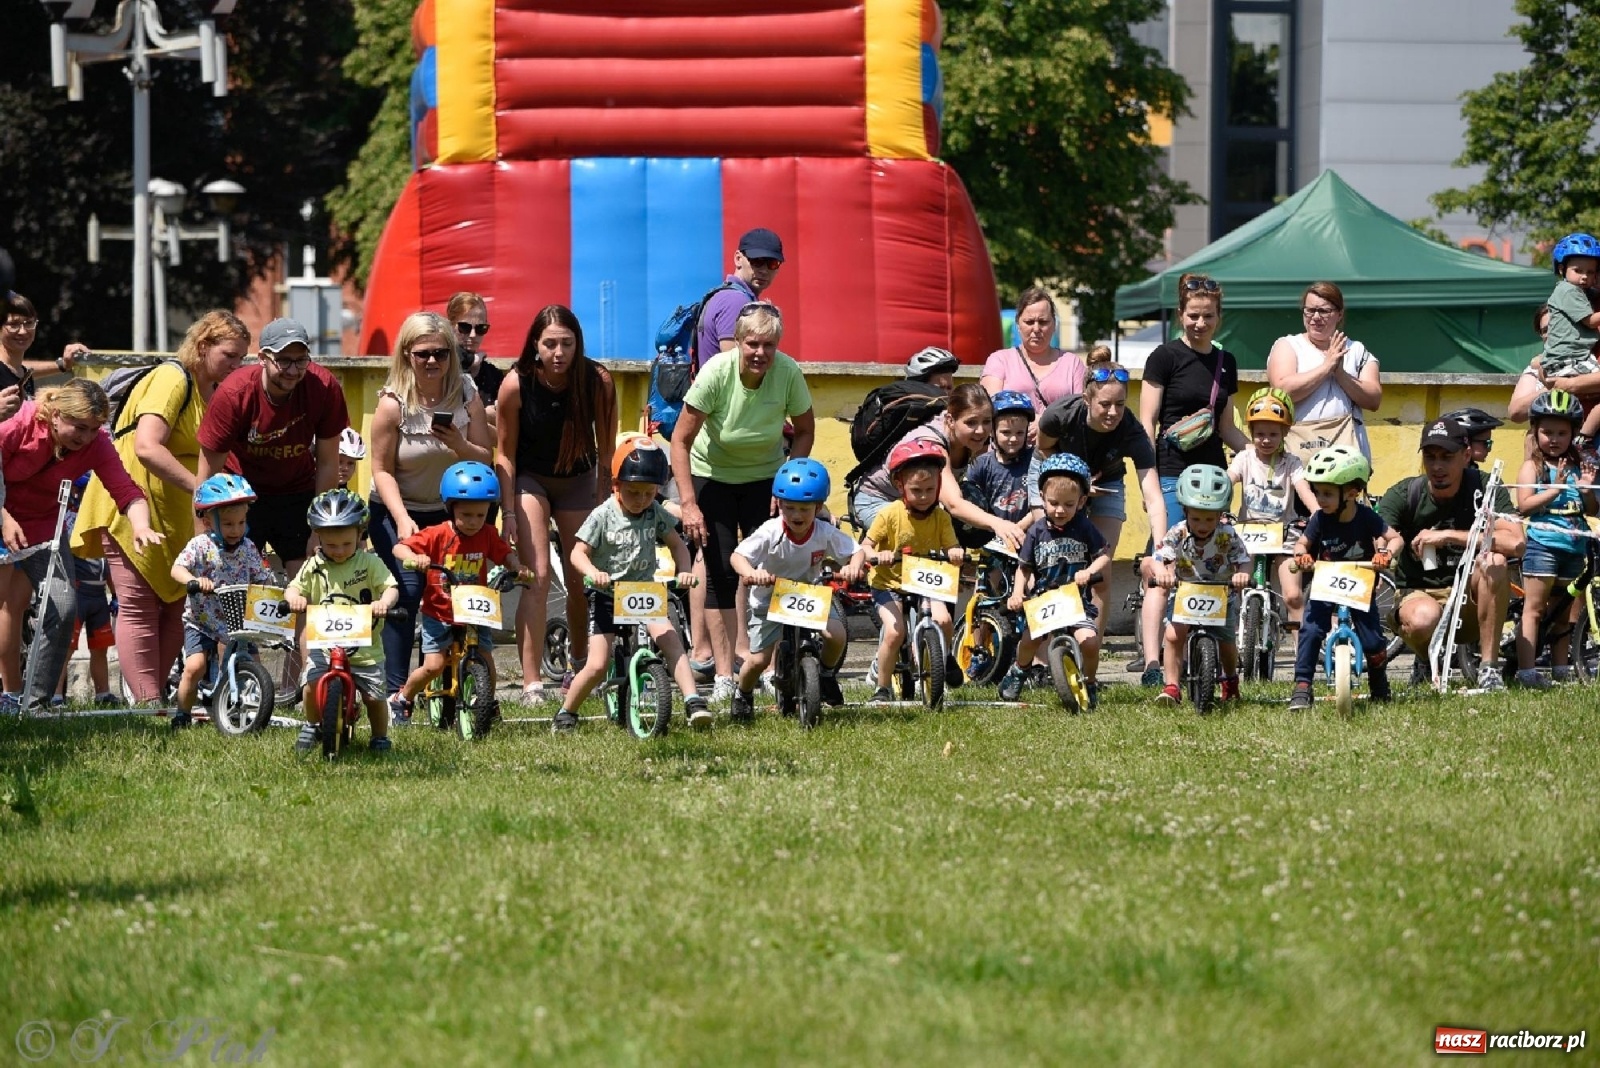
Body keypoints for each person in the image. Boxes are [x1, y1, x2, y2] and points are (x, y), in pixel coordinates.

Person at [72, 311, 250, 702]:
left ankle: (158, 700)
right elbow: (147, 446)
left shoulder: (213, 390)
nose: (237, 366)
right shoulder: (173, 378)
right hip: (132, 503)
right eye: (230, 356)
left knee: (174, 602)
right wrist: (203, 493)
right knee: (137, 604)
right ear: (203, 347)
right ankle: (149, 705)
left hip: (175, 514)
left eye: (242, 359)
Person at [671, 302, 815, 702]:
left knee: (771, 567)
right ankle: (722, 675)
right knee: (720, 571)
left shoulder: (787, 372)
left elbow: (804, 431)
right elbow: (680, 440)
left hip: (765, 477)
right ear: (738, 342)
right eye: (752, 343)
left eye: (769, 345)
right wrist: (687, 503)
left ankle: (766, 668)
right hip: (712, 475)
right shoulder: (716, 373)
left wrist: (786, 480)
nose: (760, 353)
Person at [0, 380, 161, 710]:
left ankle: (36, 704)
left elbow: (126, 491)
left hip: (43, 526)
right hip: (1, 513)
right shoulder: (22, 421)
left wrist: (141, 525)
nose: (86, 437)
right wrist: (3, 518)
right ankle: (9, 693)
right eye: (80, 427)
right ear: (56, 415)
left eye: (94, 429)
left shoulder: (97, 444)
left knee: (63, 605)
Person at [495, 304, 618, 703]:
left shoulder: (597, 380)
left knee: (581, 578)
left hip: (580, 480)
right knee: (537, 577)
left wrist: (605, 504)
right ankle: (532, 684)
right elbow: (504, 454)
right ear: (535, 345)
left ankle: (582, 667)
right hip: (531, 481)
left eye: (567, 343)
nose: (558, 352)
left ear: (578, 344)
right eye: (550, 344)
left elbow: (607, 451)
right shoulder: (516, 384)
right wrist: (508, 512)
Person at [368, 311, 494, 695]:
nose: (432, 361)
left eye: (440, 353)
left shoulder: (466, 392)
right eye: (423, 353)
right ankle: (395, 694)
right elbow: (380, 470)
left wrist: (457, 443)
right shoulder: (393, 404)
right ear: (407, 354)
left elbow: (484, 457)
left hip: (448, 513)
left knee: (457, 592)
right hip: (397, 509)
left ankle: (457, 685)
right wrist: (403, 519)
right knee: (406, 592)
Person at [551, 438, 707, 734]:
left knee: (671, 641)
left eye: (649, 493)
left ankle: (693, 701)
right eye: (634, 492)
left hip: (643, 592)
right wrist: (593, 572)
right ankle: (567, 711)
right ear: (616, 485)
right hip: (607, 594)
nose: (641, 500)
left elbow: (677, 545)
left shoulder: (654, 512)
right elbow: (577, 553)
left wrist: (684, 570)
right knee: (597, 663)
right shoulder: (602, 515)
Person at [1139, 273, 1249, 687]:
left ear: (1219, 317)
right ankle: (1153, 663)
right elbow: (1147, 420)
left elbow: (1227, 427)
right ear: (1180, 315)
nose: (1199, 323)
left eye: (1207, 316)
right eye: (1192, 315)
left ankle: (1207, 655)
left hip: (1212, 479)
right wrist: (1148, 478)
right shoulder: (1164, 357)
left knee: (1212, 562)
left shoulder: (1226, 361)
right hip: (1170, 471)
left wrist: (1257, 455)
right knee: (1166, 563)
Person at [1377, 418, 1524, 692]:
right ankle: (1426, 658)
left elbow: (1516, 542)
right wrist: (1384, 549)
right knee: (1422, 618)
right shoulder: (1405, 493)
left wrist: (1448, 536)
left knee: (1495, 561)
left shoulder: (1486, 487)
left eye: (1447, 457)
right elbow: (1380, 538)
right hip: (1419, 594)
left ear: (1466, 455)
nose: (1437, 467)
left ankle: (1489, 670)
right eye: (1430, 457)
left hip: (1469, 600)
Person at [197, 317, 349, 574]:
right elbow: (206, 478)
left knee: (307, 579)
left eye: (300, 360)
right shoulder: (234, 394)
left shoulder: (323, 387)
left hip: (297, 491)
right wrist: (203, 546)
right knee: (238, 580)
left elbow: (326, 463)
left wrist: (318, 529)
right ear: (262, 358)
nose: (292, 370)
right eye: (283, 360)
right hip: (241, 494)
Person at [389, 462, 530, 724]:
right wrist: (413, 558)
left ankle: (488, 700)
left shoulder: (487, 534)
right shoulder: (438, 534)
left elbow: (504, 554)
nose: (473, 522)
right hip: (439, 612)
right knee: (433, 665)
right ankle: (402, 697)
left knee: (486, 660)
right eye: (466, 515)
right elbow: (400, 548)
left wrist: (517, 567)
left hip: (475, 610)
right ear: (451, 508)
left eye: (480, 514)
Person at [728, 458, 865, 722]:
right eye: (789, 508)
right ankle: (742, 694)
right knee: (757, 661)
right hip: (769, 597)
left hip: (807, 595)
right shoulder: (770, 531)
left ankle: (824, 674)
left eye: (804, 509)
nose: (797, 515)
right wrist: (751, 573)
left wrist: (853, 567)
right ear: (778, 504)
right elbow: (738, 556)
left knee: (836, 634)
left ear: (819, 507)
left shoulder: (824, 532)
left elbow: (855, 551)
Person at [1035, 363, 1164, 629]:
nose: (1113, 412)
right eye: (1105, 404)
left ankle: (1091, 648)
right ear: (1086, 399)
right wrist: (1074, 484)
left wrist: (1162, 551)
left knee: (1100, 570)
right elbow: (1042, 450)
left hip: (1108, 483)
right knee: (1048, 560)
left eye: (1120, 403)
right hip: (1056, 476)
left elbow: (1152, 496)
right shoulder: (1059, 415)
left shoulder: (1132, 430)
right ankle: (1040, 650)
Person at [1286, 447, 1402, 711]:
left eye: (1327, 493)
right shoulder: (1319, 519)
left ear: (1351, 492)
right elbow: (1302, 544)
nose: (1320, 499)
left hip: (1360, 581)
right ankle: (1302, 685)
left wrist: (1386, 553)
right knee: (1312, 630)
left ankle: (1378, 680)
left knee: (1373, 639)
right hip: (1325, 581)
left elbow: (1396, 538)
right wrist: (1302, 555)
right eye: (1317, 492)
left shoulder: (1366, 516)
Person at [285, 490, 401, 753]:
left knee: (374, 696)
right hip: (325, 645)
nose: (338, 551)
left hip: (365, 648)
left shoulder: (369, 563)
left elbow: (390, 587)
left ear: (360, 534)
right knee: (312, 683)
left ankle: (380, 736)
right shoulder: (313, 566)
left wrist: (384, 602)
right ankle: (312, 724)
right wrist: (295, 599)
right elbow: (293, 588)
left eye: (346, 545)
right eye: (330, 545)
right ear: (319, 538)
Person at [850, 384, 1023, 552]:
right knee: (916, 539)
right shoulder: (931, 443)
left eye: (987, 422)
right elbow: (953, 504)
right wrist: (998, 523)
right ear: (950, 420)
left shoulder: (974, 439)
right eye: (971, 423)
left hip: (919, 500)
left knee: (972, 500)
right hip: (879, 500)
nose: (980, 430)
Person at [998, 453, 1110, 706]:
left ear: (1081, 502)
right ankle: (1018, 670)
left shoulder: (1084, 527)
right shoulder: (1037, 531)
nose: (1060, 510)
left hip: (1076, 601)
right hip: (1044, 599)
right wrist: (1018, 593)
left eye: (1068, 505)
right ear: (1042, 500)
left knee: (1090, 643)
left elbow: (1104, 556)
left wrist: (1089, 571)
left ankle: (1090, 682)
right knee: (1029, 640)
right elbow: (1023, 568)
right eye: (1053, 503)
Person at [168, 475, 276, 729]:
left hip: (237, 620)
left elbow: (262, 577)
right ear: (208, 521)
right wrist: (194, 581)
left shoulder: (248, 547)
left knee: (253, 666)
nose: (236, 530)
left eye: (241, 522)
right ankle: (182, 714)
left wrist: (271, 587)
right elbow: (177, 568)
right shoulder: (200, 545)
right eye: (228, 524)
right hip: (202, 620)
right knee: (195, 667)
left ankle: (252, 710)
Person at [861, 439, 965, 703]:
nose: (924, 497)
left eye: (930, 490)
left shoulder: (941, 517)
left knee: (943, 620)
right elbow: (865, 547)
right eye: (916, 490)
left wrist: (955, 552)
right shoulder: (889, 514)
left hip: (924, 580)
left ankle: (946, 655)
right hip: (889, 582)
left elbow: (952, 545)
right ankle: (882, 687)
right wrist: (878, 555)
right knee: (895, 632)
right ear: (900, 486)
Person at [1148, 464, 1249, 707]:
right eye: (1196, 518)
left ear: (1220, 515)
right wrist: (1162, 572)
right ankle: (1172, 686)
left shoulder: (1228, 534)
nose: (1202, 524)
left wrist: (1242, 575)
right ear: (1185, 512)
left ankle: (1230, 680)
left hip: (1220, 593)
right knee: (1173, 635)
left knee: (1226, 641)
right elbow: (1160, 557)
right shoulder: (1178, 532)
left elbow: (1244, 560)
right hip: (1186, 592)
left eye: (1209, 518)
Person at [1513, 391, 1596, 689]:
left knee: (1562, 613)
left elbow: (1591, 510)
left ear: (1574, 433)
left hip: (1574, 546)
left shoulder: (1577, 467)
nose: (1554, 439)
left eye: (1562, 433)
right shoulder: (1532, 467)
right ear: (1535, 432)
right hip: (1543, 544)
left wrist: (1586, 489)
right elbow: (1524, 505)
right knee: (1534, 609)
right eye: (1547, 432)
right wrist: (1556, 488)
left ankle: (1561, 668)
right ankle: (1526, 671)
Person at [1227, 387, 1318, 629]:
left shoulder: (1292, 463)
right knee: (1238, 587)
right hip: (1248, 533)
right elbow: (1227, 481)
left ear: (1285, 432)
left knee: (1293, 596)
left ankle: (1303, 658)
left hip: (1284, 533)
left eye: (1273, 434)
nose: (1266, 440)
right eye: (1259, 434)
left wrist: (1318, 514)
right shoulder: (1243, 458)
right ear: (1251, 432)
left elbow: (1304, 491)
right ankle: (1237, 643)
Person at [1265, 281, 1383, 463]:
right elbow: (1282, 392)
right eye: (1310, 310)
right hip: (1297, 455)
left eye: (1324, 311)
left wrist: (1340, 373)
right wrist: (1326, 366)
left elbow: (1374, 400)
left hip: (1347, 456)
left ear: (1340, 314)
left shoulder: (1357, 350)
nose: (1316, 317)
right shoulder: (1287, 345)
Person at [54, 476, 117, 708]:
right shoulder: (69, 519)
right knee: (68, 647)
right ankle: (57, 695)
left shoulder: (102, 521)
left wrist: (116, 594)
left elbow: (109, 563)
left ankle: (103, 694)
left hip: (99, 594)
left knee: (100, 648)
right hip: (78, 591)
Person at [980, 287, 1086, 414]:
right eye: (1029, 322)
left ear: (1054, 325)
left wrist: (1045, 424)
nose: (1036, 329)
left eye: (1043, 322)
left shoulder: (1072, 363)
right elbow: (991, 407)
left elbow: (1081, 412)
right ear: (1018, 325)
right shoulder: (999, 360)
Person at [695, 228, 784, 360]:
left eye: (772, 264)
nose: (764, 270)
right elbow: (734, 367)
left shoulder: (729, 295)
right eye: (757, 261)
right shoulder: (735, 301)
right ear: (738, 259)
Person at [961, 390, 1039, 538]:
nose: (1013, 439)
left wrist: (1018, 528)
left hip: (1028, 536)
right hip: (992, 538)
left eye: (1020, 433)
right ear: (992, 431)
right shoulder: (982, 464)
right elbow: (968, 501)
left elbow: (1044, 498)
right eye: (1006, 432)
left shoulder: (1035, 461)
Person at [1, 292, 82, 415]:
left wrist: (64, 364)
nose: (23, 331)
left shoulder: (22, 374)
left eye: (29, 323)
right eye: (13, 324)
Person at [1540, 233, 1600, 381]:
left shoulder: (1581, 291)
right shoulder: (1567, 290)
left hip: (1577, 357)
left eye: (1590, 272)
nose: (1585, 276)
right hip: (1567, 359)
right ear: (1562, 269)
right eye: (1578, 270)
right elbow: (1591, 321)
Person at [448, 292, 505, 428]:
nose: (473, 335)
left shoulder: (493, 375)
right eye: (465, 327)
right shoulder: (438, 366)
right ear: (450, 326)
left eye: (481, 328)